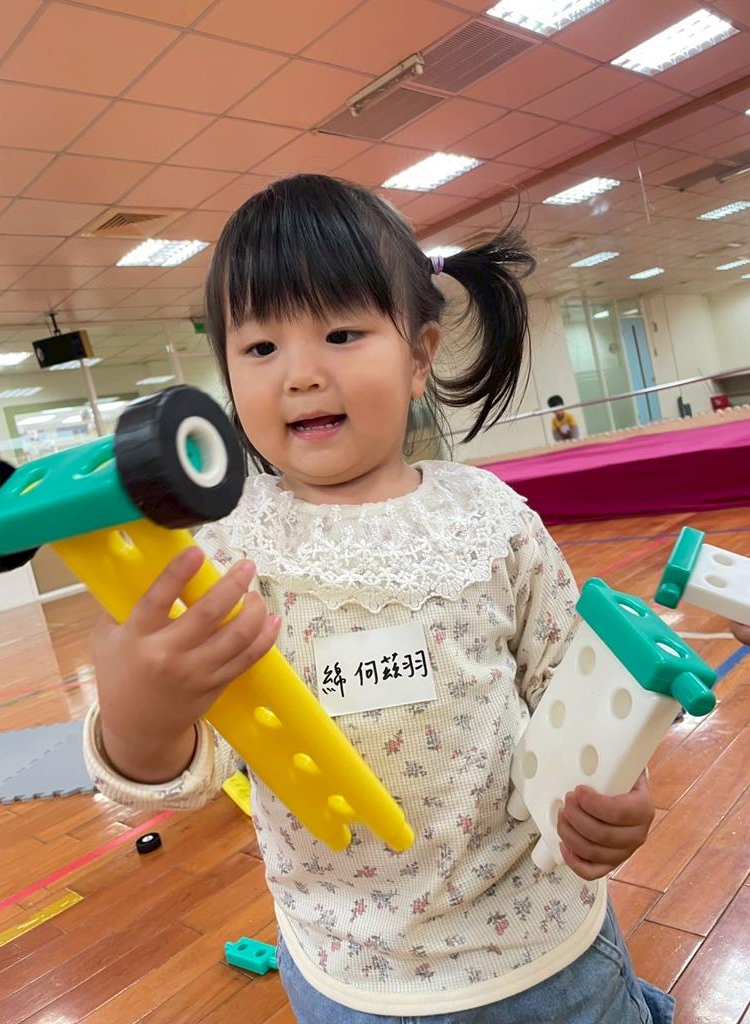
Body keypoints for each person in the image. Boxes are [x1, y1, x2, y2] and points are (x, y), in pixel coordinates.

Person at [84, 175, 672, 1024]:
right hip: (349, 972)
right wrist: (141, 714)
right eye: (260, 348)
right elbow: (184, 770)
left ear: (419, 354)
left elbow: (566, 681)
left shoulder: (490, 519)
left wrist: (619, 790)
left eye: (341, 333)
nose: (301, 375)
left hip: (542, 945)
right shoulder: (222, 556)